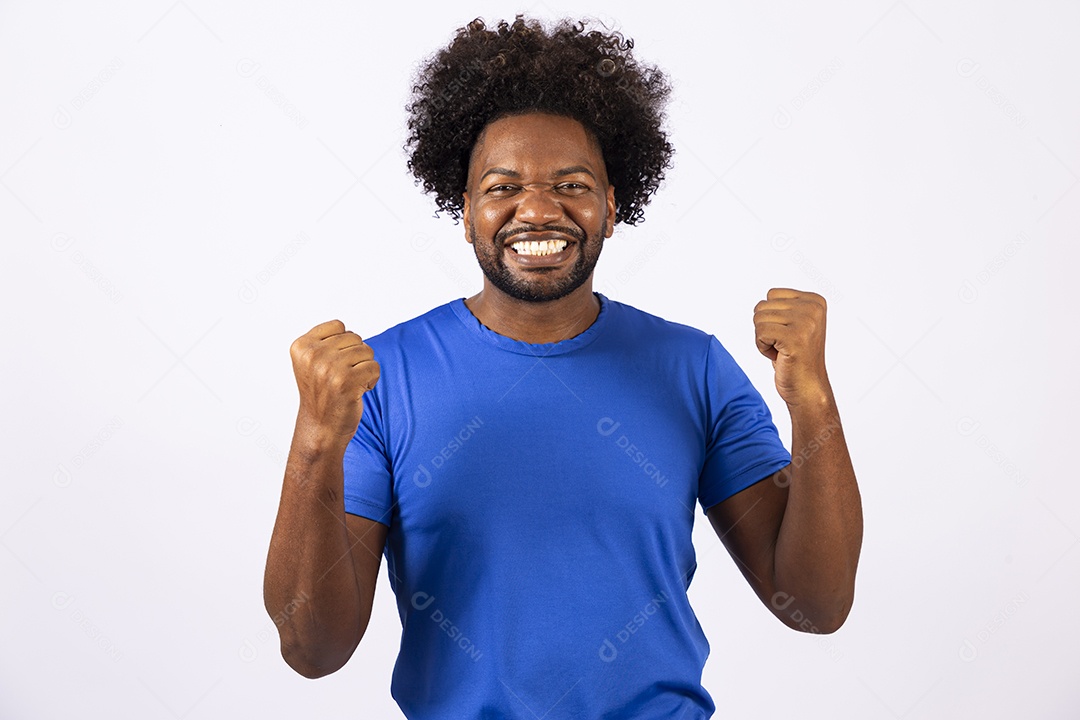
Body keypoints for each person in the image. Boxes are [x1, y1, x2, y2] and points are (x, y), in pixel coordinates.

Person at [264, 15, 862, 719]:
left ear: (613, 206)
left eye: (572, 184)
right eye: (502, 187)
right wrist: (315, 443)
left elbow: (816, 607)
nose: (538, 210)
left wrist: (813, 404)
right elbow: (313, 650)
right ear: (465, 211)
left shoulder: (692, 368)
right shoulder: (382, 378)